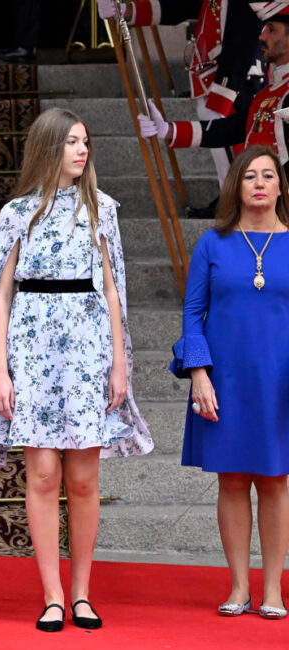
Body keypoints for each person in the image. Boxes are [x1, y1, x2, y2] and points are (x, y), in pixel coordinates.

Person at [0, 107, 152, 632]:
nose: (82, 151)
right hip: (32, 355)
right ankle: (52, 594)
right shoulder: (16, 212)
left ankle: (82, 592)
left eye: (85, 142)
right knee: (41, 474)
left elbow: (113, 289)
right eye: (72, 142)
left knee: (83, 479)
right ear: (49, 147)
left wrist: (120, 365)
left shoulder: (102, 209)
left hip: (87, 354)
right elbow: (0, 297)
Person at [172, 145, 289, 620]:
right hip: (223, 381)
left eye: (268, 175)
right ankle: (239, 586)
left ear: (281, 185)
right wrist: (199, 373)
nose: (259, 183)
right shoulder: (212, 244)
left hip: (279, 380)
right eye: (249, 176)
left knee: (277, 482)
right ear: (235, 186)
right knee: (233, 482)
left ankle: (274, 590)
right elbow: (191, 314)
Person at [139, 4, 289, 175]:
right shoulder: (267, 94)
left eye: (271, 30)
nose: (261, 36)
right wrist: (169, 130)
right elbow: (234, 128)